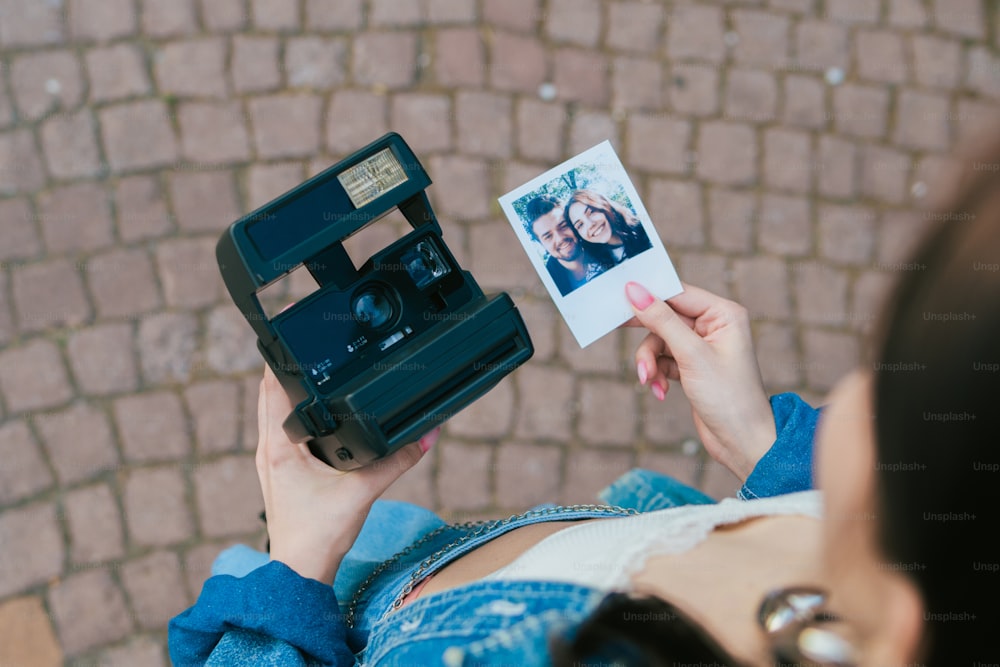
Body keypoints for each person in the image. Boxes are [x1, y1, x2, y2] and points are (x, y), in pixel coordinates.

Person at [170, 138, 1000, 665]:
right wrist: (759, 445)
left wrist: (300, 562)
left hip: (375, 608)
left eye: (887, 386)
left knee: (255, 572)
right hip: (525, 542)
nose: (850, 392)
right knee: (384, 535)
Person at [524, 194, 614, 296]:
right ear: (542, 244)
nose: (560, 238)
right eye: (548, 236)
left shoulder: (608, 247)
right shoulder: (547, 287)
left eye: (563, 226)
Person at [564, 189, 652, 265]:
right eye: (580, 225)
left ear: (604, 205)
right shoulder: (596, 266)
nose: (590, 224)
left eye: (591, 212)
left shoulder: (646, 228)